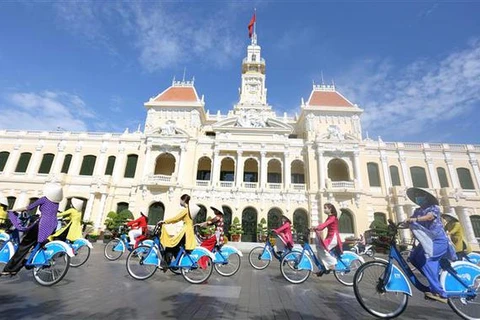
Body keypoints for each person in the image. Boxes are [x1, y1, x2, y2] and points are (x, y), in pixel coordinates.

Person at [406, 187, 456, 303]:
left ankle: (439, 292)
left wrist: (415, 219)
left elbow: (429, 217)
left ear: (426, 198)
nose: (418, 197)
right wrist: (402, 224)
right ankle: (434, 281)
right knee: (413, 258)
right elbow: (411, 221)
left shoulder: (433, 208)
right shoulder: (417, 211)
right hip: (427, 241)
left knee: (429, 261)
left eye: (420, 195)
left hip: (438, 241)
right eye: (416, 195)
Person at [2, 183, 63, 276]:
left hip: (41, 224)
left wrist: (14, 210)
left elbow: (28, 208)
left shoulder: (44, 199)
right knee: (36, 243)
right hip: (52, 225)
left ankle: (10, 269)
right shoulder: (56, 203)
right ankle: (30, 260)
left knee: (24, 246)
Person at [158, 194, 200, 270]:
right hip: (188, 232)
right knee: (175, 246)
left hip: (185, 232)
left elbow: (176, 218)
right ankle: (175, 263)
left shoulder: (186, 211)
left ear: (183, 200)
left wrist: (164, 221)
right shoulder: (190, 211)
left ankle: (165, 264)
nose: (180, 201)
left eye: (180, 200)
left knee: (170, 245)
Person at [311, 203, 342, 275]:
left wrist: (317, 228)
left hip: (333, 237)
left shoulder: (333, 217)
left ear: (330, 209)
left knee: (322, 249)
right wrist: (315, 227)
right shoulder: (329, 217)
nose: (324, 209)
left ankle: (333, 263)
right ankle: (323, 268)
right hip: (329, 237)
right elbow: (323, 225)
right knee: (319, 250)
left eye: (325, 208)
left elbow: (324, 225)